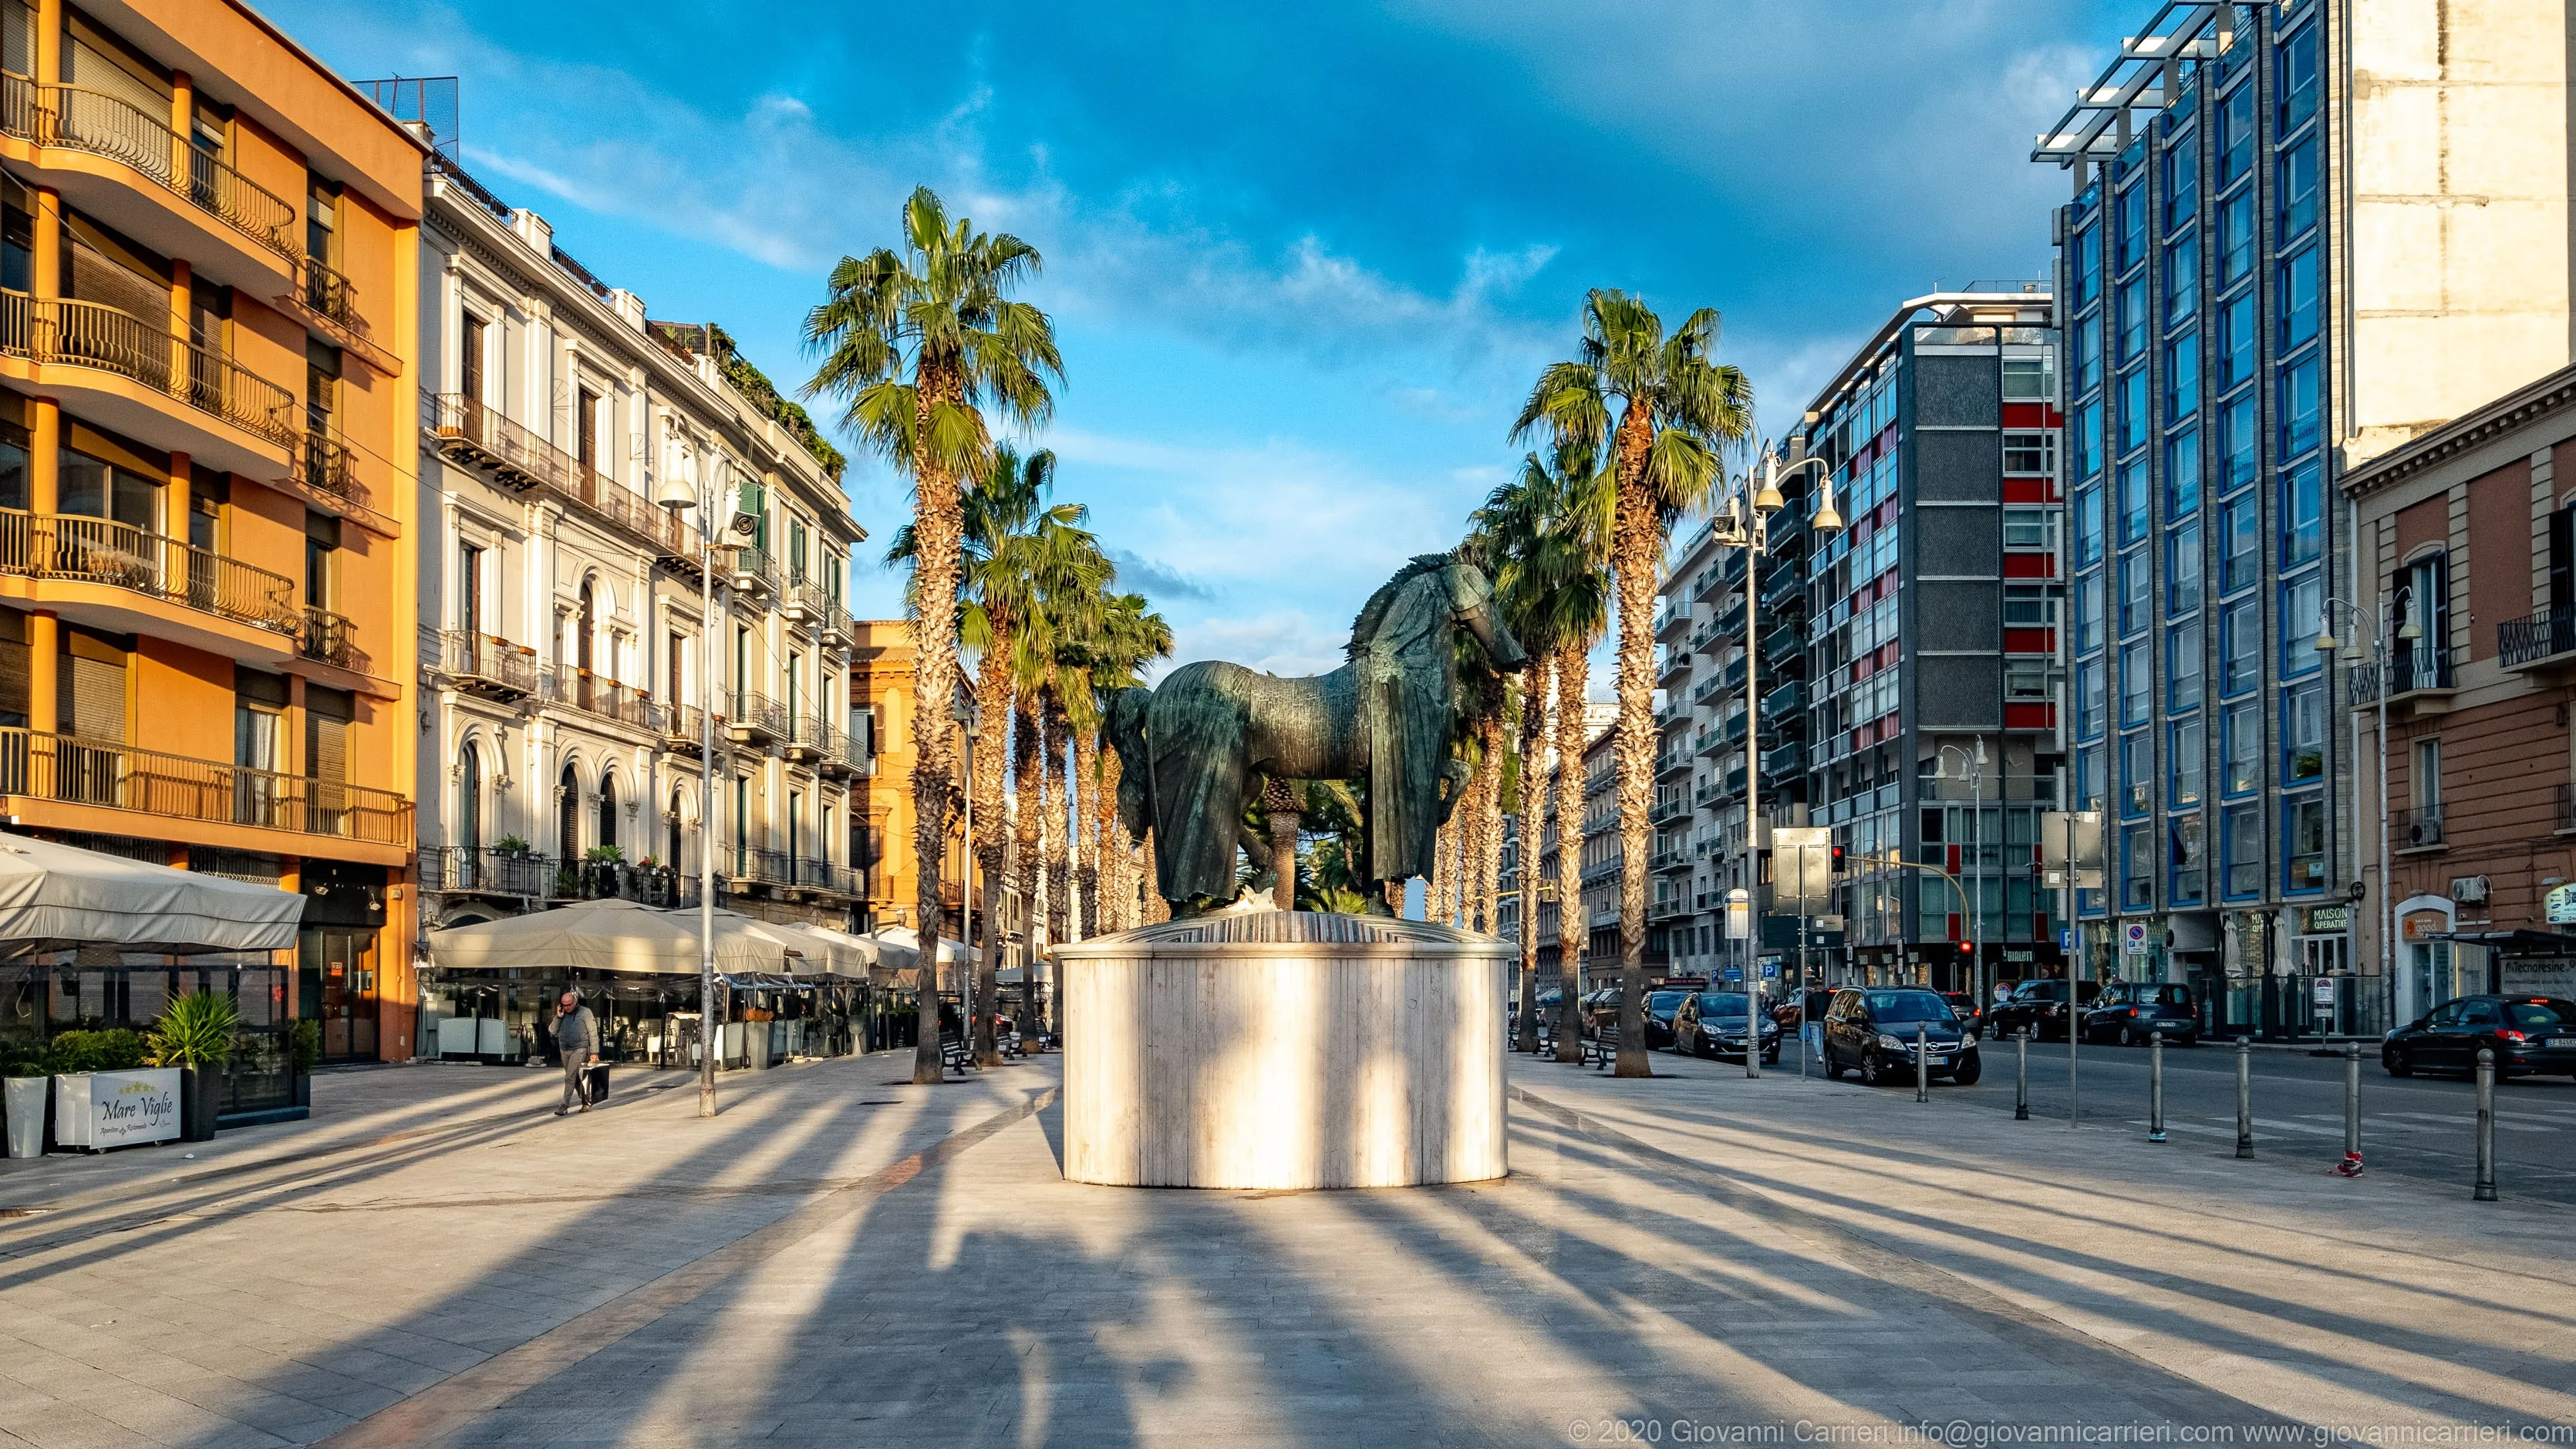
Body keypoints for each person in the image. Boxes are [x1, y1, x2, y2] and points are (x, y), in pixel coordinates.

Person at [553, 989, 601, 1116]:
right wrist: (559, 1016)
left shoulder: (585, 1012)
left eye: (569, 1004)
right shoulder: (562, 1014)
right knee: (573, 1078)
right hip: (564, 1048)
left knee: (569, 1077)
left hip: (580, 1048)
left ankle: (564, 1106)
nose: (567, 1007)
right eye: (564, 1005)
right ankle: (587, 1099)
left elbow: (593, 1032)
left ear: (575, 1002)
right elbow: (552, 1030)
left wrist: (594, 1052)